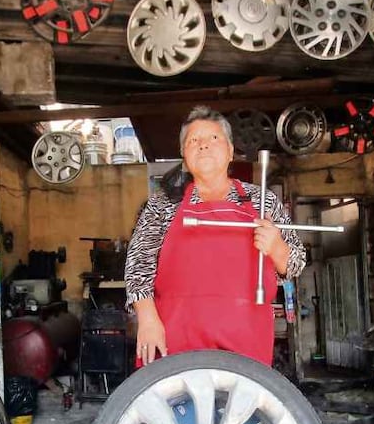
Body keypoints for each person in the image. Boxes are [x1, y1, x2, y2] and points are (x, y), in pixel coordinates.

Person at [125, 105, 306, 367]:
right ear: (184, 156)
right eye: (193, 141)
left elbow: (295, 264)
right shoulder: (162, 204)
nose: (203, 146)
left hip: (246, 341)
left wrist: (277, 247)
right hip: (173, 339)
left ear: (231, 151)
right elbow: (137, 268)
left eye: (213, 138)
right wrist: (148, 320)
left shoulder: (262, 200)